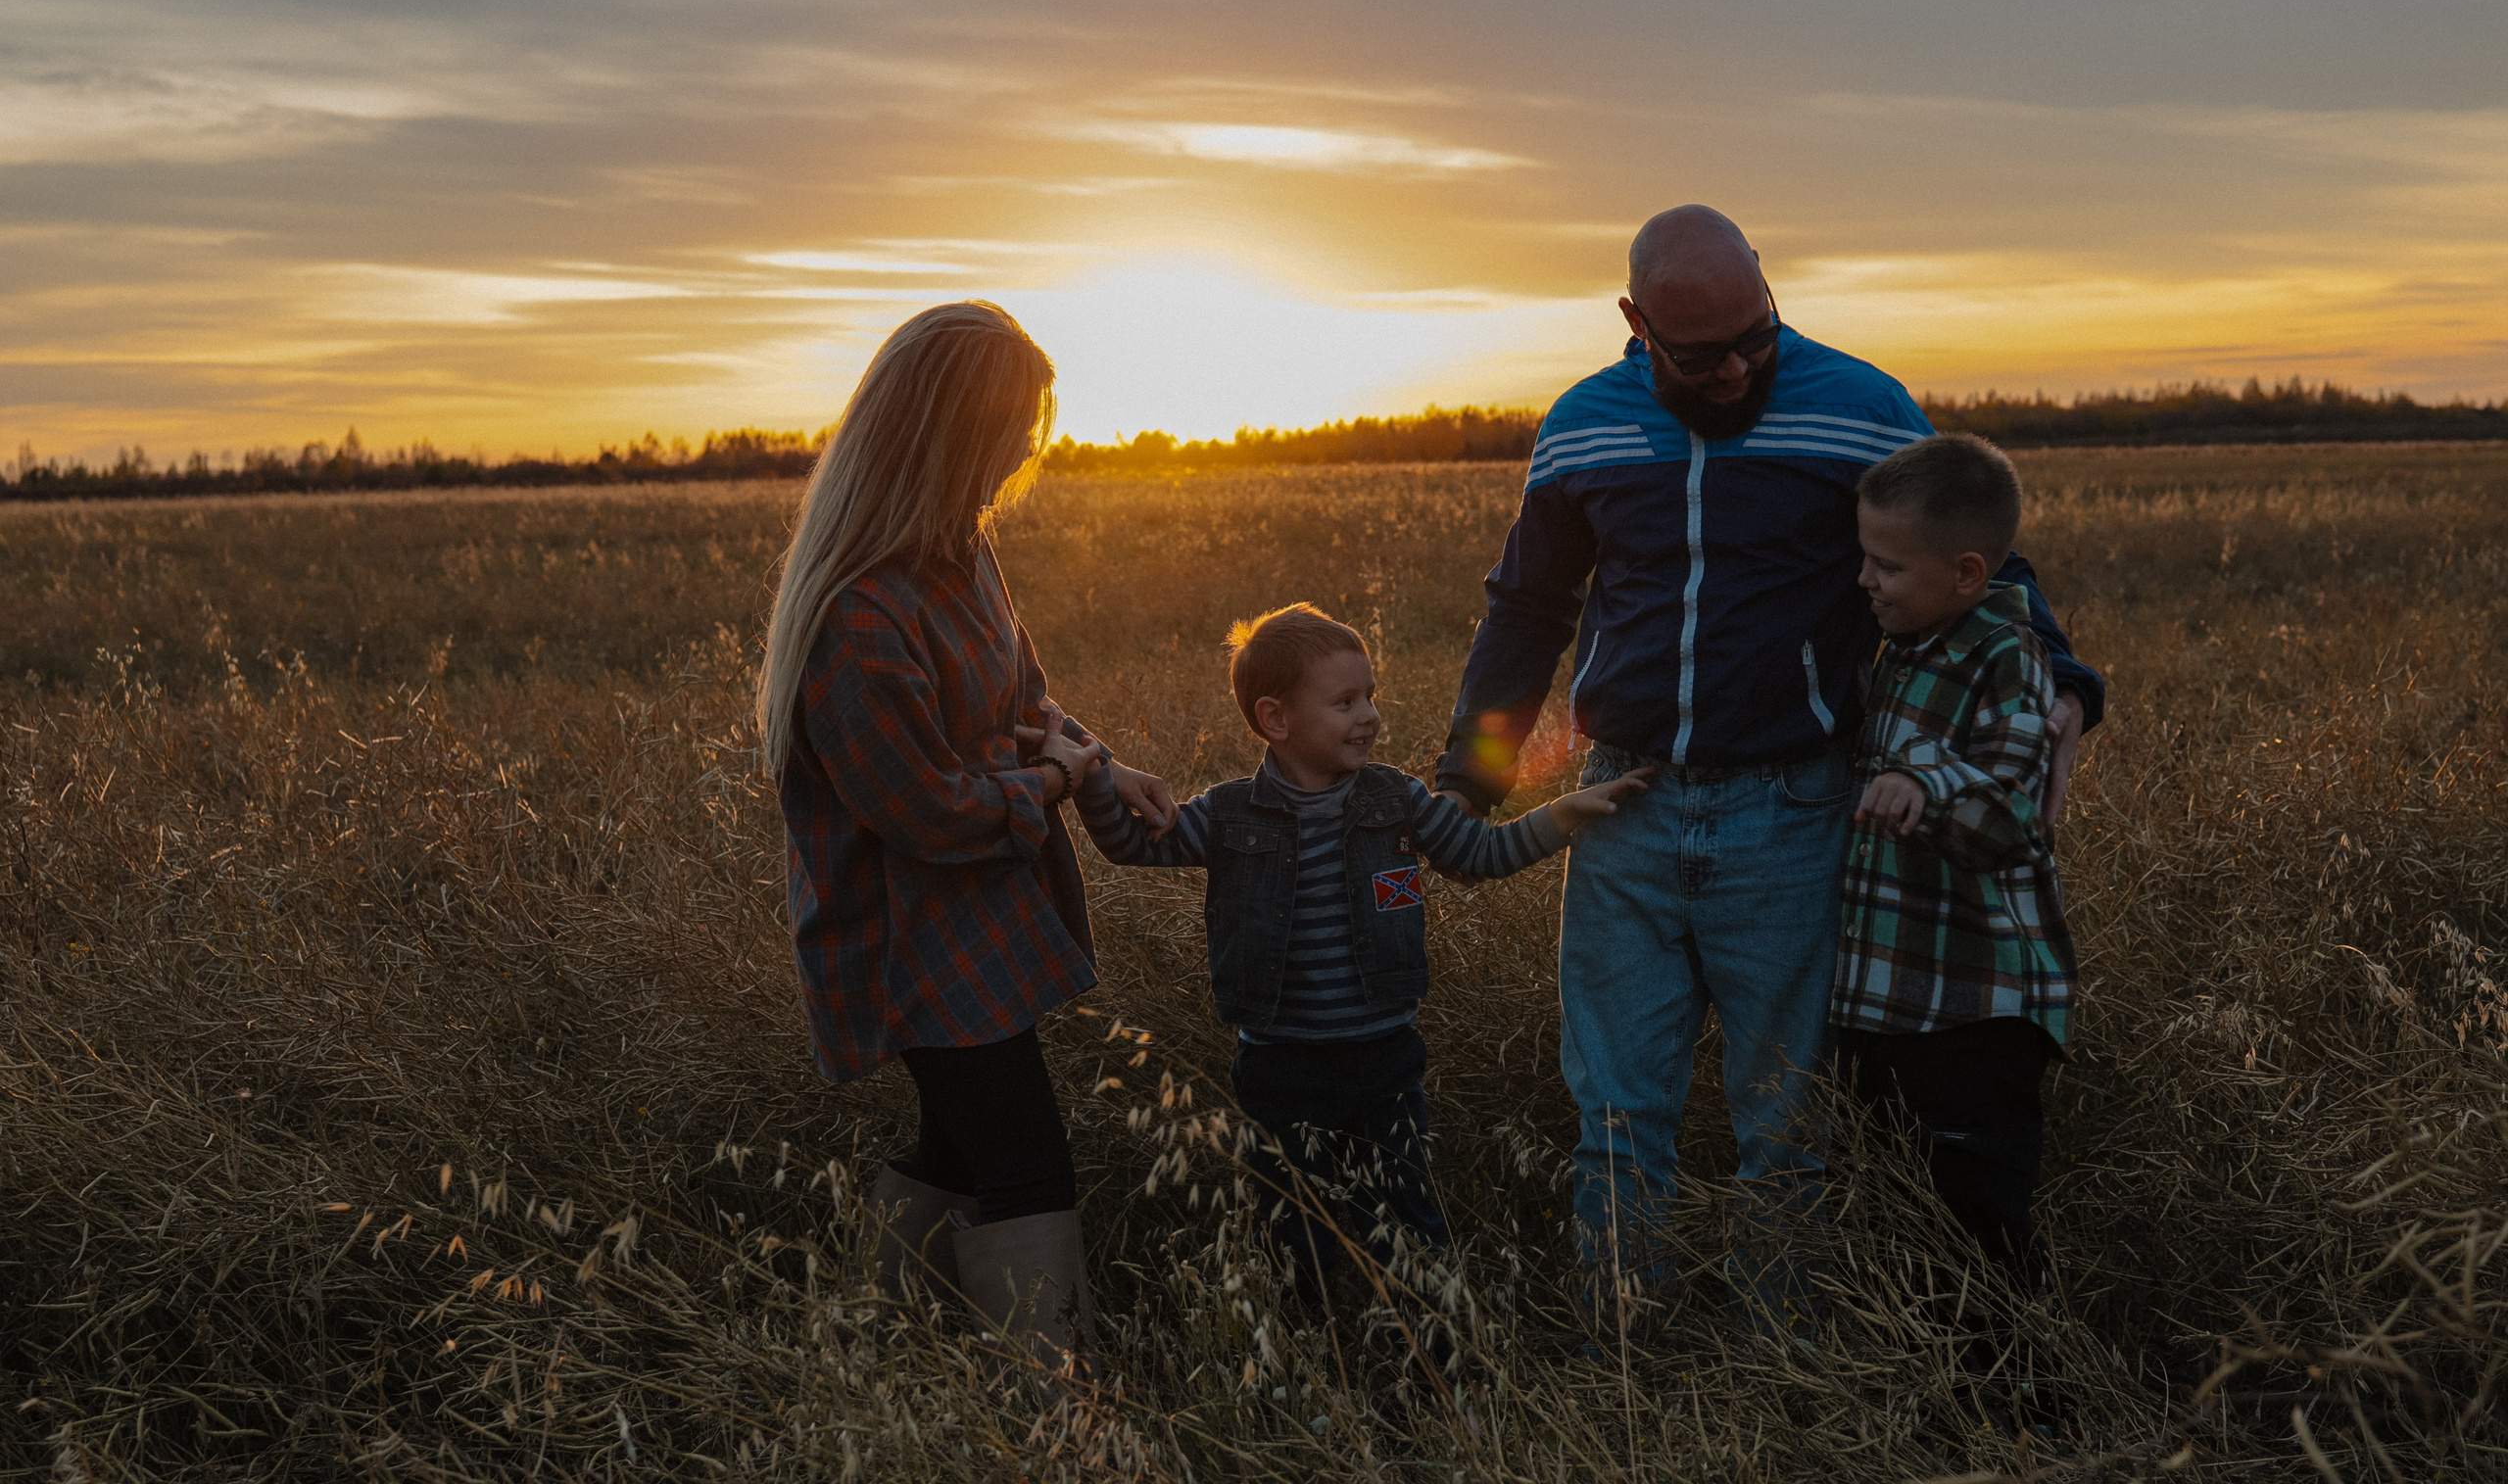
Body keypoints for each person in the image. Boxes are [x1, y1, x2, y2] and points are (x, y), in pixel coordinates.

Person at [1432, 206, 2102, 1315]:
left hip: (1795, 809)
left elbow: (1977, 560)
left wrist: (2068, 684)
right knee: (1613, 1118)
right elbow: (1527, 609)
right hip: (1623, 809)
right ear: (1635, 324)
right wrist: (1472, 772)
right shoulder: (1580, 427)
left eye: (1760, 333)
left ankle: (1780, 1374)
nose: (1741, 367)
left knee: (1786, 1126)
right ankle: (1623, 1363)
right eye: (1703, 356)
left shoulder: (1862, 406)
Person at [757, 299, 1167, 1376]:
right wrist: (1050, 780)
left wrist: (1101, 764)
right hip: (911, 942)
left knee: (954, 1144)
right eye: (1008, 436)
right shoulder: (859, 616)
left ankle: (874, 1357)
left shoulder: (962, 554)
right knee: (1028, 1162)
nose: (1024, 457)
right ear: (946, 436)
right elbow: (928, 812)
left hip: (980, 920)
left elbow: (1027, 699)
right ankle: (1058, 1409)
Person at [1076, 603, 1651, 1302]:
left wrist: (1565, 813)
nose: (1369, 715)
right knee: (1296, 1229)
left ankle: (1431, 1346)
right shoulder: (1227, 816)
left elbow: (1483, 852)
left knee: (1407, 1221)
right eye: (1345, 702)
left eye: (1370, 696)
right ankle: (1324, 1350)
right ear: (1276, 720)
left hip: (1384, 1058)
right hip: (1280, 1065)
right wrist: (1090, 780)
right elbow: (1132, 844)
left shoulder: (1399, 801)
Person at [1831, 434, 2077, 1286]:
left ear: (1967, 574)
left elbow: (2016, 813)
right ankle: (1934, 1407)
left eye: (1887, 567)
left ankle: (2028, 1409)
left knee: (1981, 1227)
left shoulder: (2006, 658)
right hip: (1894, 1001)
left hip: (1975, 1011)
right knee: (1898, 1219)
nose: (1865, 580)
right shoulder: (1904, 648)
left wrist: (1922, 782)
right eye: (1865, 559)